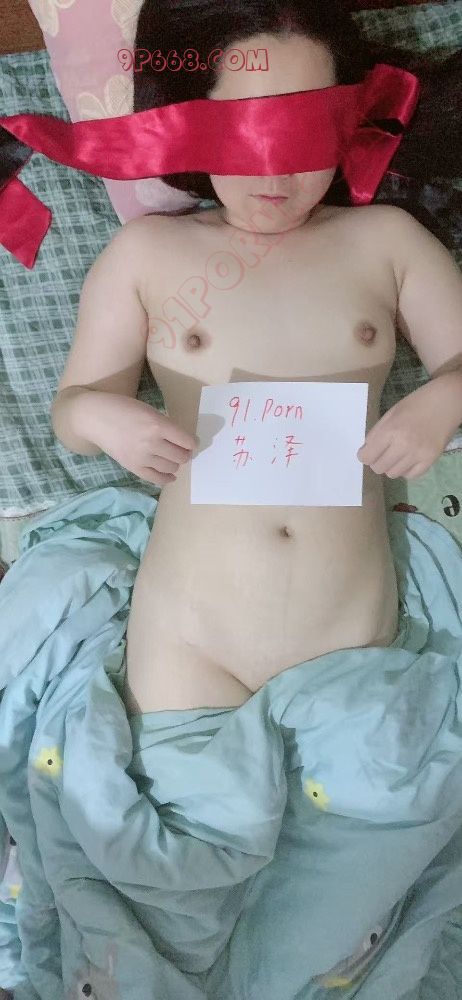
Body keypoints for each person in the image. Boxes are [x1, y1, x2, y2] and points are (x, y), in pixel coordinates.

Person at [51, 0, 462, 716]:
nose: (276, 168)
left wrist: (446, 399)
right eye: (246, 130)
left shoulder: (386, 242)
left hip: (350, 640)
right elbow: (70, 414)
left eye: (305, 131)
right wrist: (102, 417)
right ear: (189, 120)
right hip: (188, 641)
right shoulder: (147, 253)